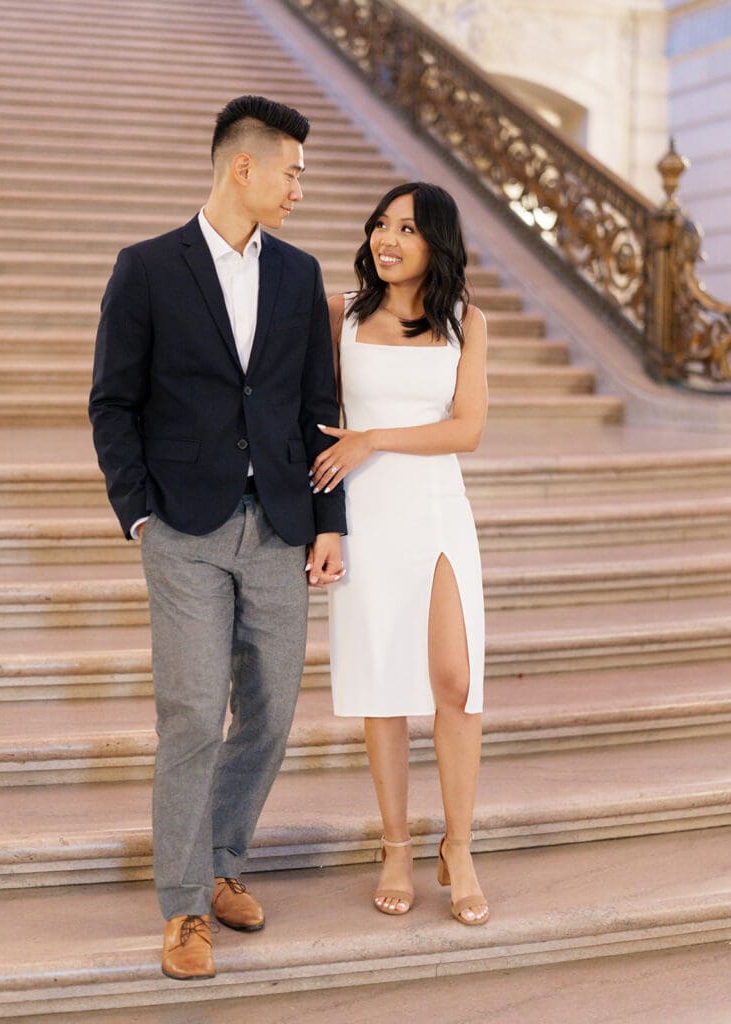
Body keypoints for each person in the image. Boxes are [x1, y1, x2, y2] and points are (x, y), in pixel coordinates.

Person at [89, 95, 346, 980]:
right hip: (185, 529)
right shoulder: (148, 268)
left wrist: (329, 525)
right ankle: (184, 904)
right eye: (293, 171)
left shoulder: (299, 275)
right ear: (245, 166)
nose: (299, 189)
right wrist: (140, 512)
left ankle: (224, 858)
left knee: (270, 711)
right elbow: (112, 402)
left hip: (280, 525)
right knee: (194, 711)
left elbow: (320, 411)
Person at [313, 182, 489, 925]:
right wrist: (323, 522)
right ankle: (393, 845)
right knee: (383, 685)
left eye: (407, 228)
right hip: (365, 514)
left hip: (438, 509)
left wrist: (374, 438)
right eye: (381, 225)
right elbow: (319, 423)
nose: (388, 239)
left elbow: (466, 429)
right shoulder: (340, 317)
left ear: (435, 243)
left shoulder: (464, 322)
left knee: (455, 679)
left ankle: (458, 845)